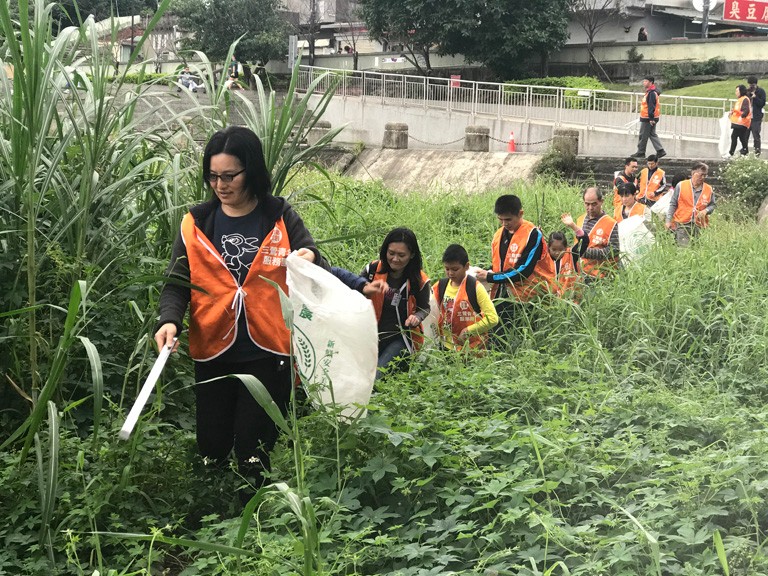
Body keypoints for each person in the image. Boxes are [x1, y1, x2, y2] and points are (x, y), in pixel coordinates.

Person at [154, 126, 328, 504]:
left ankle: (253, 520)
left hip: (267, 350)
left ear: (252, 170)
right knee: (212, 444)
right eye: (213, 176)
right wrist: (169, 320)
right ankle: (209, 512)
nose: (220, 184)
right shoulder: (197, 223)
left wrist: (307, 258)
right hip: (213, 348)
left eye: (230, 175)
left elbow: (313, 255)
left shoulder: (278, 215)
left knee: (254, 449)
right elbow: (177, 282)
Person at [475, 195, 555, 341]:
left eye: (508, 219)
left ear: (520, 214)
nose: (504, 223)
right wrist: (486, 272)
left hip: (529, 296)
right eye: (501, 219)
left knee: (524, 337)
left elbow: (523, 270)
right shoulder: (499, 235)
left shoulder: (533, 234)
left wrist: (490, 277)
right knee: (496, 334)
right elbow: (500, 264)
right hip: (503, 291)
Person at [362, 228, 430, 379]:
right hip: (370, 334)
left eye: (401, 255)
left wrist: (417, 317)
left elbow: (424, 307)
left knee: (376, 376)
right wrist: (365, 290)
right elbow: (355, 291)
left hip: (402, 338)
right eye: (391, 253)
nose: (395, 259)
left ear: (412, 255)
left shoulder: (419, 280)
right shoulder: (372, 270)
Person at [432, 244, 498, 351]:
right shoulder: (440, 286)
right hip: (446, 347)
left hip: (472, 350)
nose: (450, 273)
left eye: (455, 269)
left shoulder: (474, 287)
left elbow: (492, 318)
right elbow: (428, 308)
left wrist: (468, 331)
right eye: (447, 269)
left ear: (467, 266)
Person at [665, 161, 715, 246]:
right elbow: (673, 204)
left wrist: (706, 211)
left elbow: (712, 205)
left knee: (697, 250)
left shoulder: (708, 189)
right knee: (683, 249)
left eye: (705, 175)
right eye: (701, 174)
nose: (703, 177)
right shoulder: (681, 186)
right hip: (682, 224)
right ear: (693, 173)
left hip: (699, 225)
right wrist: (668, 220)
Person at [577, 187, 619, 279]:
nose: (590, 208)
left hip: (600, 277)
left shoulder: (611, 224)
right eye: (587, 204)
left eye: (594, 204)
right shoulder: (580, 220)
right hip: (580, 273)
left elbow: (614, 251)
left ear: (601, 201)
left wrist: (586, 252)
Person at [549, 213, 588, 295]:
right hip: (550, 302)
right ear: (548, 247)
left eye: (561, 250)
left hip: (571, 301)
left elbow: (585, 241)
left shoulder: (571, 254)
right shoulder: (545, 258)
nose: (557, 253)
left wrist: (573, 225)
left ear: (566, 247)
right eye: (554, 249)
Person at [633, 75, 666, 159]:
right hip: (651, 117)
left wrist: (651, 118)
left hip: (648, 118)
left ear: (651, 83)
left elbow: (651, 106)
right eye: (644, 81)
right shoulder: (651, 92)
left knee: (643, 135)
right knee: (652, 134)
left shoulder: (651, 93)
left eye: (646, 81)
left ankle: (641, 152)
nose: (644, 83)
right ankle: (660, 151)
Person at [725, 85, 753, 158]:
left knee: (734, 136)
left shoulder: (744, 99)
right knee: (742, 137)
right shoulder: (741, 99)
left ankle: (731, 153)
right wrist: (732, 112)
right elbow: (737, 110)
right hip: (739, 122)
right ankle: (745, 151)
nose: (736, 93)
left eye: (737, 91)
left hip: (742, 122)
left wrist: (742, 116)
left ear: (741, 91)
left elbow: (746, 110)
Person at [747, 75, 765, 156]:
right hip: (747, 118)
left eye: (753, 85)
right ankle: (744, 153)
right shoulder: (747, 92)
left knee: (756, 136)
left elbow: (762, 103)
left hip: (756, 118)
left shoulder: (761, 91)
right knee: (744, 136)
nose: (751, 87)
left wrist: (755, 97)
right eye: (750, 85)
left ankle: (757, 154)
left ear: (756, 84)